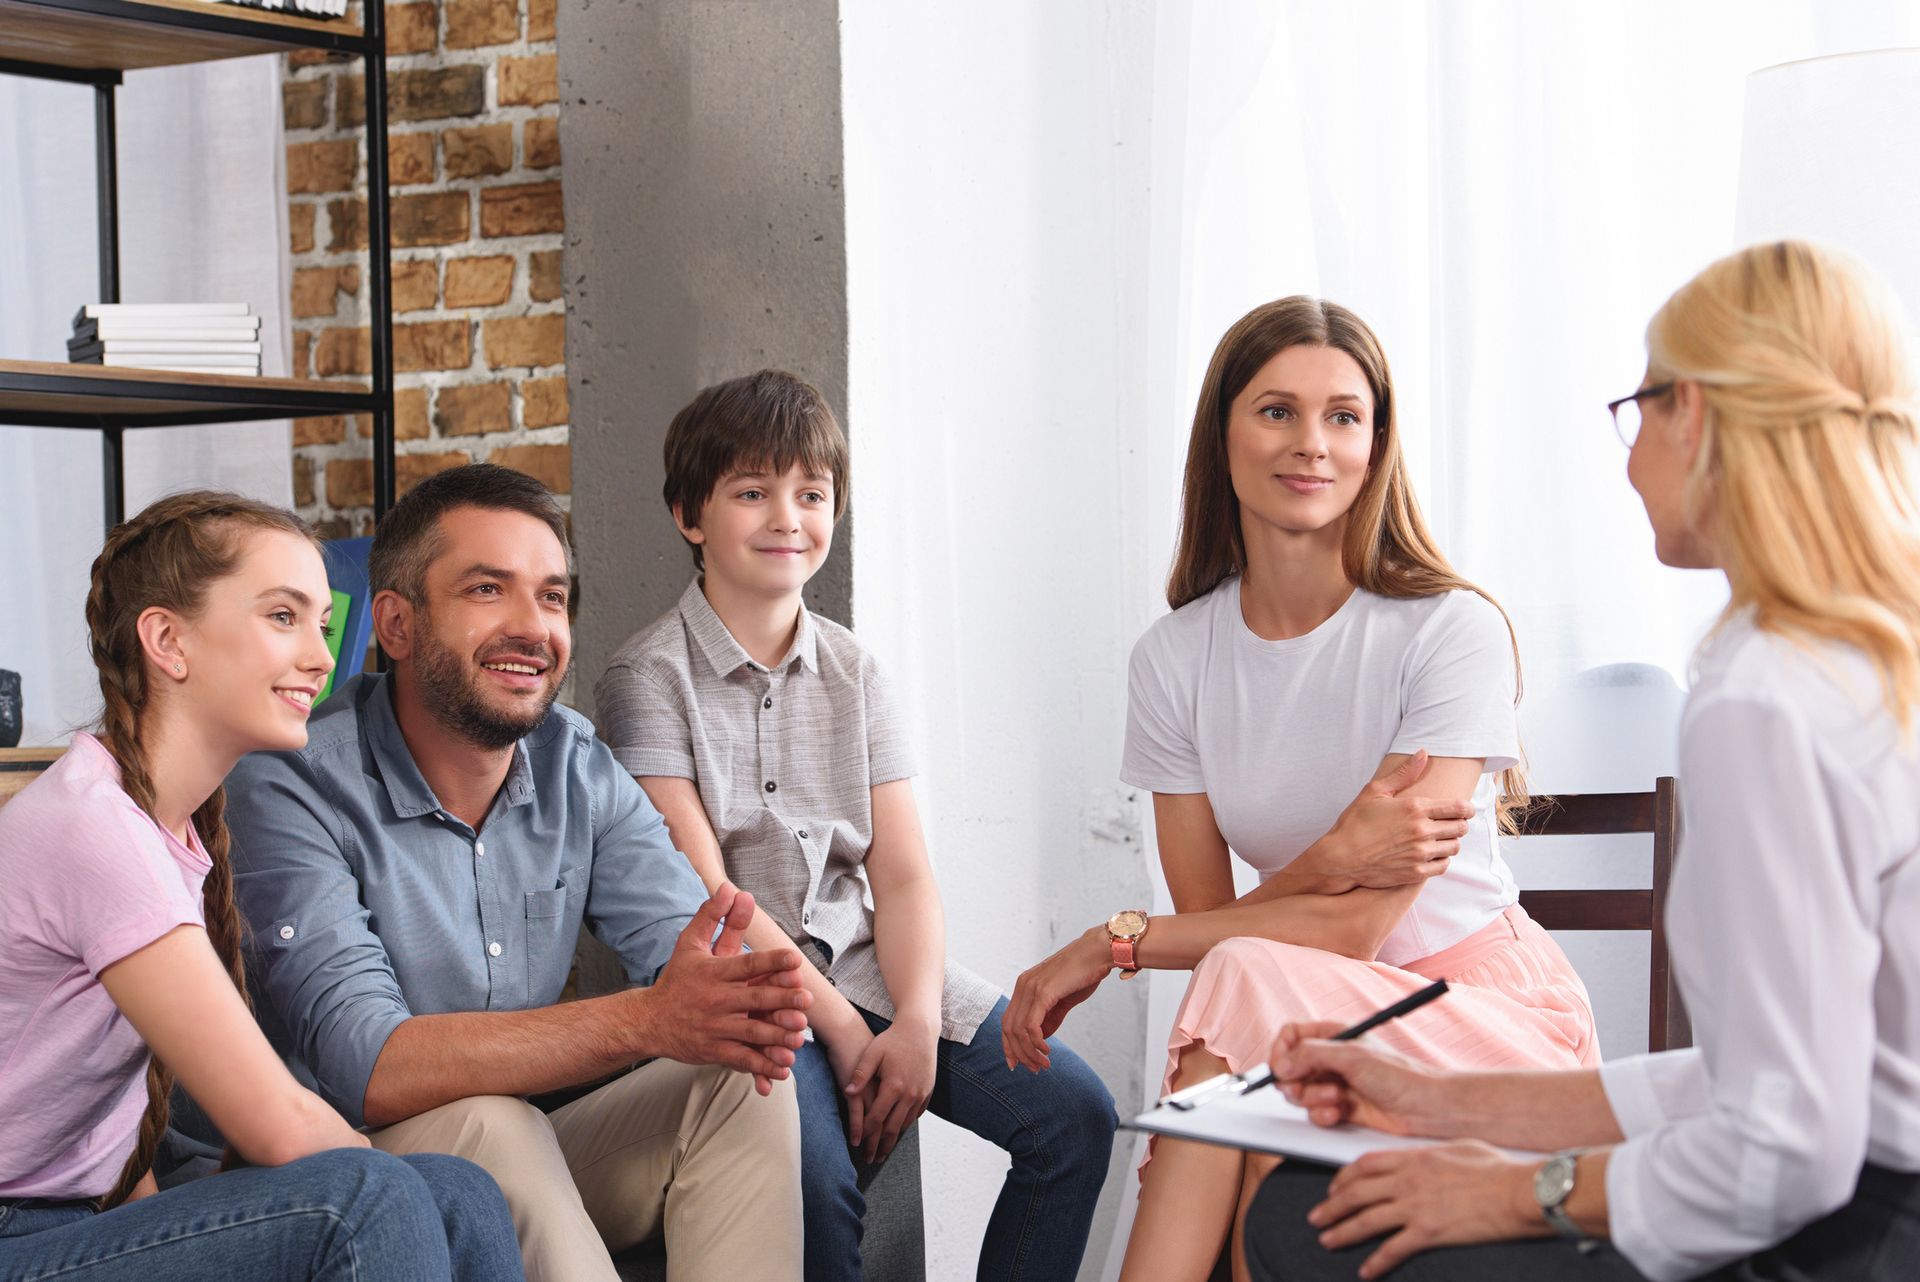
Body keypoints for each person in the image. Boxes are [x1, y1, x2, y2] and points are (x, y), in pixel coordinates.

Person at [1246, 240, 1920, 1282]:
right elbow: (1772, 1080)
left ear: (1696, 412)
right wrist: (1434, 1098)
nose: (1629, 447)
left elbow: (1791, 1146)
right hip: (1866, 1192)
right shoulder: (1862, 659)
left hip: (1855, 1242)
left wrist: (1521, 1189)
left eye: (1641, 403)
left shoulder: (1766, 700)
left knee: (1312, 1218)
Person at [1004, 296, 1599, 1280]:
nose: (1312, 443)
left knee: (1243, 990)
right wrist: (1329, 860)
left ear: (1377, 441)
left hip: (1482, 1014)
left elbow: (1347, 934)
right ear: (1223, 434)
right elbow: (1221, 920)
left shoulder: (1449, 632)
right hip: (1302, 1009)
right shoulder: (1173, 659)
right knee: (1248, 1011)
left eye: (1344, 416)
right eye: (1278, 410)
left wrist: (1112, 944)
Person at [222, 465, 810, 1282]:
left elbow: (701, 969)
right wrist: (646, 1020)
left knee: (737, 1087)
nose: (532, 627)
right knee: (493, 1125)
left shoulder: (575, 763)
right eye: (487, 590)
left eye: (553, 596)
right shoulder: (290, 784)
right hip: (333, 1183)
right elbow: (368, 1065)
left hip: (516, 1160)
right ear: (395, 623)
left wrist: (727, 1001)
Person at [593, 370, 1120, 1281]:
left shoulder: (855, 670)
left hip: (871, 964)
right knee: (818, 1186)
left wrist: (916, 1021)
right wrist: (839, 1027)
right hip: (748, 985)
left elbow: (905, 873)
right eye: (752, 492)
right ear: (690, 514)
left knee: (1073, 1115)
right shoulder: (644, 678)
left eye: (811, 493)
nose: (786, 517)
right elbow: (708, 892)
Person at [0, 491, 523, 1281]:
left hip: (66, 1223)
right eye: (283, 617)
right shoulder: (94, 830)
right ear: (168, 641)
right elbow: (274, 1126)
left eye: (323, 622)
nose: (319, 656)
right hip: (19, 1238)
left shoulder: (166, 829)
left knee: (457, 1189)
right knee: (369, 1196)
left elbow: (100, 1135)